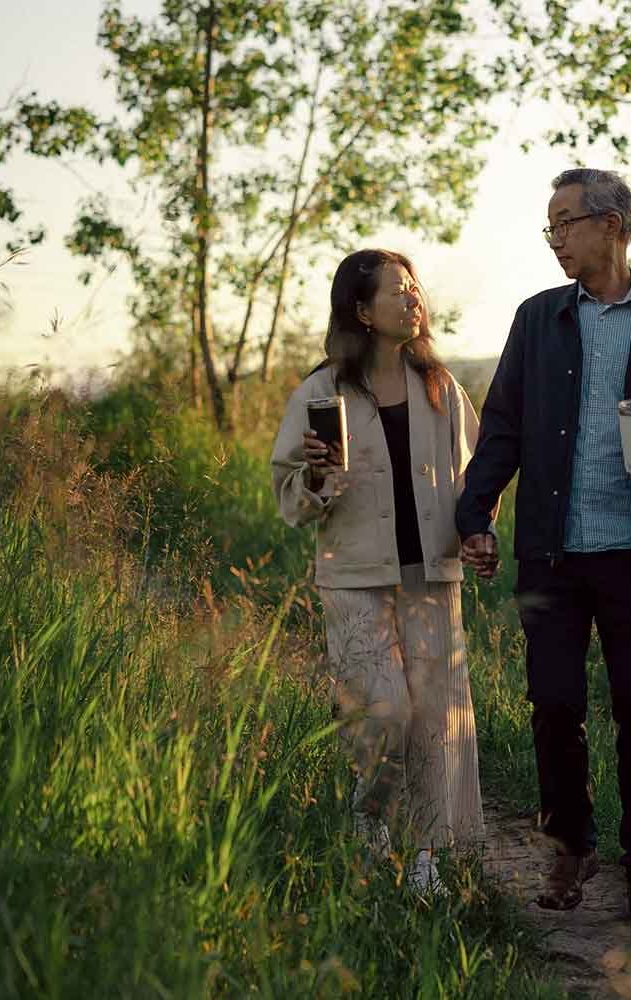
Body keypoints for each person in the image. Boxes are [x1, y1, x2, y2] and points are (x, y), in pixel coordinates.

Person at [456, 168, 631, 920]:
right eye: (550, 227)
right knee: (554, 706)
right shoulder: (537, 318)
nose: (555, 240)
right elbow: (503, 427)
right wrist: (474, 515)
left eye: (565, 223)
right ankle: (571, 850)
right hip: (552, 550)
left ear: (611, 225)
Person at [271, 248, 485, 895]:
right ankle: (369, 813)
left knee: (434, 722)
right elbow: (291, 498)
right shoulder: (320, 391)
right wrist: (315, 476)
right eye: (397, 291)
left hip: (431, 577)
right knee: (385, 711)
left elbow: (474, 476)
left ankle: (423, 863)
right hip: (354, 576)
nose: (413, 298)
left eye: (415, 287)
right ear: (362, 311)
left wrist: (480, 531)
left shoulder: (440, 386)